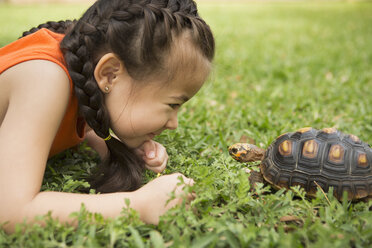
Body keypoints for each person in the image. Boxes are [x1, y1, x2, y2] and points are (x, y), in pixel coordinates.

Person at [0, 0, 215, 232]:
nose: (174, 123)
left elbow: (66, 127)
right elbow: (12, 212)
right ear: (110, 75)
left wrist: (111, 145)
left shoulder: (78, 73)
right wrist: (140, 205)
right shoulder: (44, 77)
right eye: (172, 104)